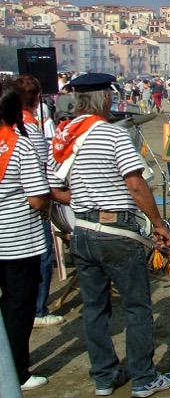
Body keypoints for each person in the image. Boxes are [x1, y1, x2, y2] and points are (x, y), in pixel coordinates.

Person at [47, 73, 170, 398]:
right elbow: (135, 184)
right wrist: (159, 224)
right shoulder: (113, 135)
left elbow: (54, 189)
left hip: (84, 230)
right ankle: (144, 378)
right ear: (105, 100)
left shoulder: (66, 137)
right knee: (136, 306)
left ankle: (104, 376)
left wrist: (84, 199)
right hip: (117, 232)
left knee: (94, 309)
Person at [0, 83, 51, 391]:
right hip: (19, 239)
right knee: (19, 307)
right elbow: (35, 198)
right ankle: (17, 370)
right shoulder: (20, 145)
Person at [14, 76, 66, 329]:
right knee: (42, 256)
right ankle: (38, 309)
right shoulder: (29, 128)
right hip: (31, 203)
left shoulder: (12, 124)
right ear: (36, 99)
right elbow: (44, 165)